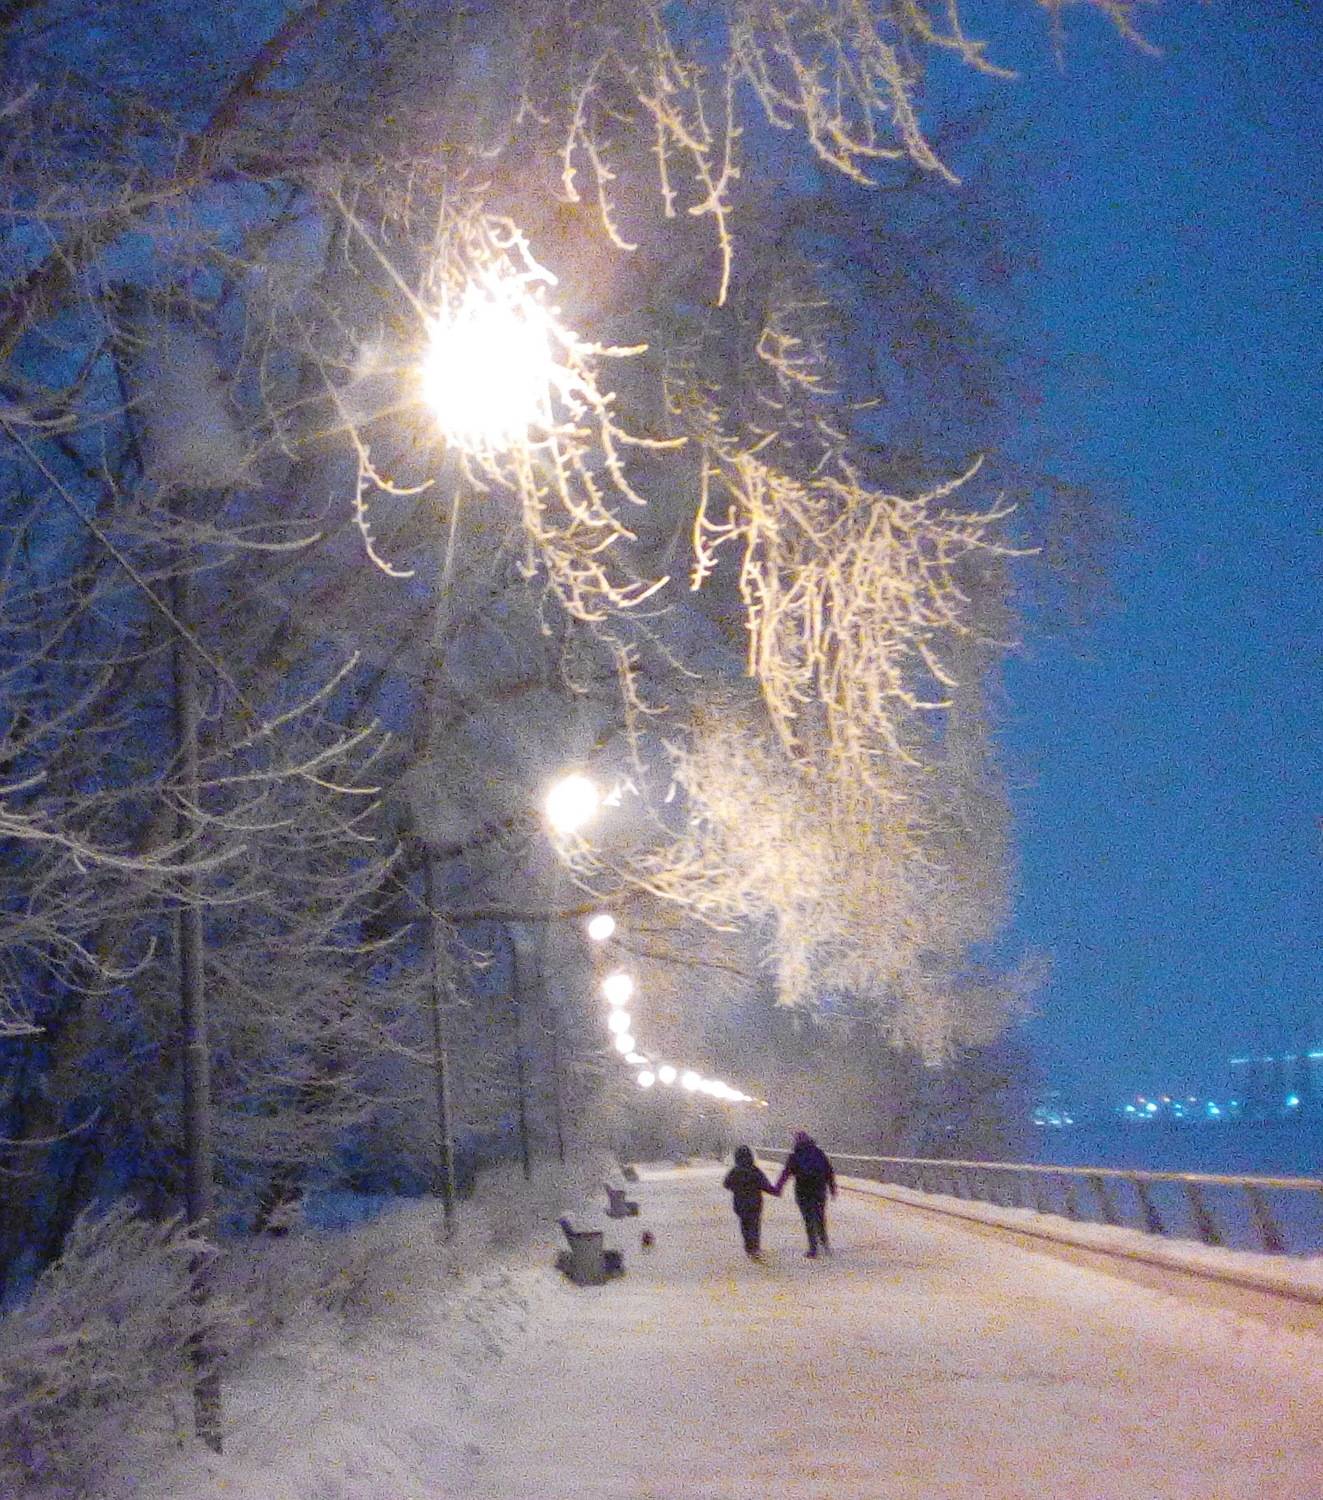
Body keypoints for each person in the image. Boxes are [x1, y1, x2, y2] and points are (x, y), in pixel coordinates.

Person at [773, 1131, 837, 1257]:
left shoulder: (795, 1155)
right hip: (819, 1190)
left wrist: (778, 1188)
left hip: (803, 1191)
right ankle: (824, 1243)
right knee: (820, 1217)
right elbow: (829, 1172)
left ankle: (813, 1248)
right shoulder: (819, 1153)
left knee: (808, 1219)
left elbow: (786, 1173)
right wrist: (832, 1189)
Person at [722, 1145, 780, 1259]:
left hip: (740, 1203)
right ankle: (755, 1248)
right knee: (754, 1225)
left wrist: (736, 1188)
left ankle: (748, 1247)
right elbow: (765, 1185)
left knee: (745, 1225)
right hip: (755, 1203)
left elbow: (726, 1184)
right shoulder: (755, 1170)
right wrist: (776, 1190)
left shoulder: (735, 1171)